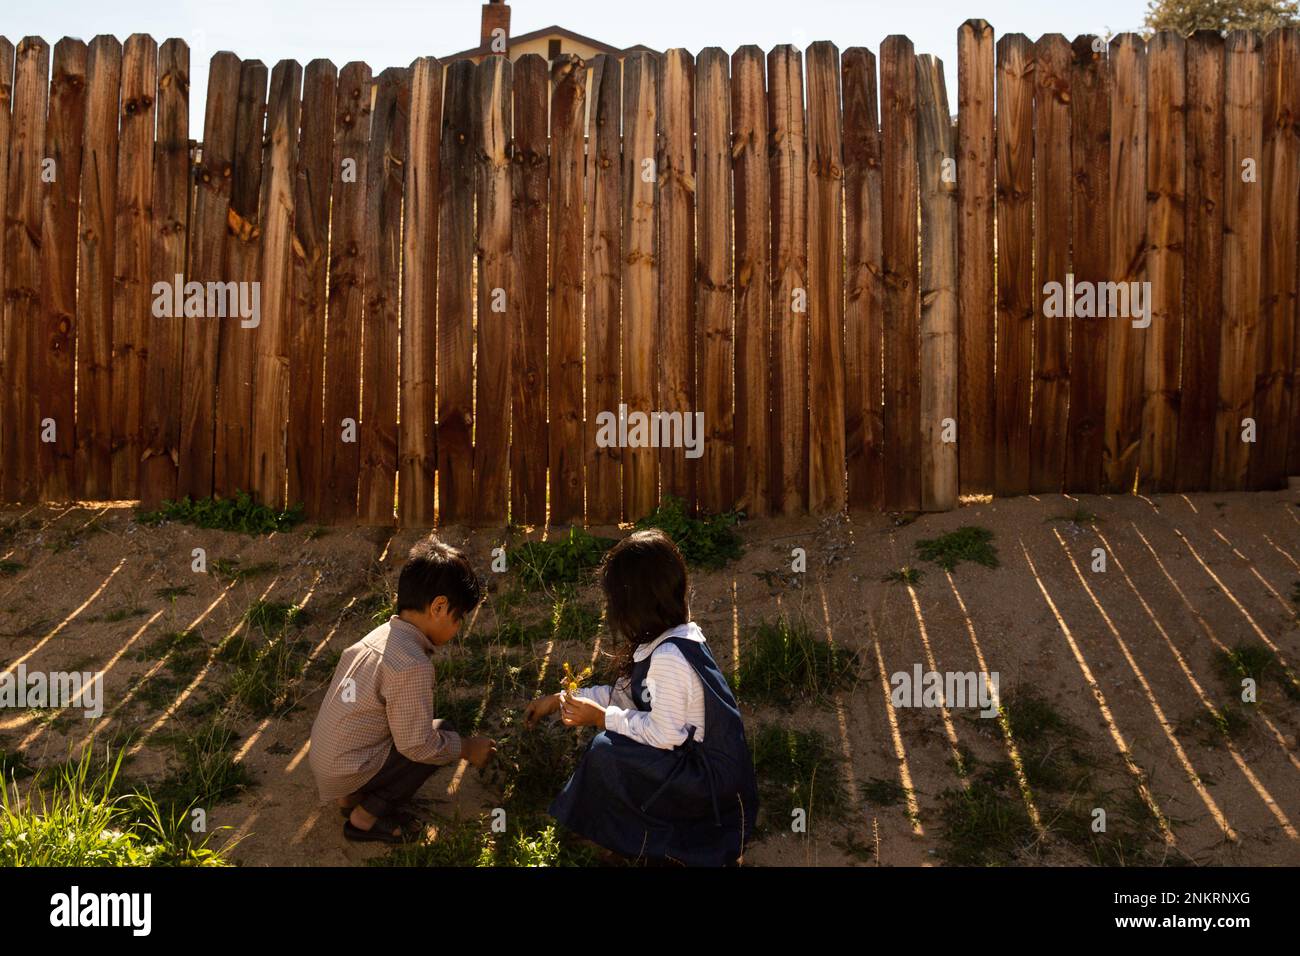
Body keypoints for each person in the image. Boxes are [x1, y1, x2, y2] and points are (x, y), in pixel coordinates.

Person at [525, 529, 758, 866]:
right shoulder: (668, 640)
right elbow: (624, 696)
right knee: (612, 744)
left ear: (634, 603)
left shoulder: (669, 657)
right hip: (693, 767)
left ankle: (641, 839)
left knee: (607, 750)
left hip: (710, 791)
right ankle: (621, 831)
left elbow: (665, 734)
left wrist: (600, 718)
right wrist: (560, 698)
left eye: (613, 602)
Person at [309, 535, 496, 843]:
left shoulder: (381, 636)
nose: (458, 628)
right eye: (458, 618)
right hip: (346, 769)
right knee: (440, 733)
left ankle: (350, 797)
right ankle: (364, 819)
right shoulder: (411, 663)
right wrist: (465, 747)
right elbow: (417, 746)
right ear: (438, 606)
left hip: (329, 761)